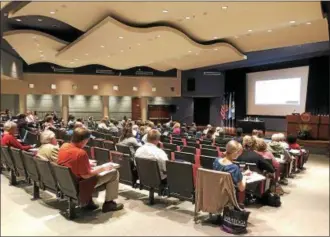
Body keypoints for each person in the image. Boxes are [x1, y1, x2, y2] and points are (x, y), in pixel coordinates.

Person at [57, 127, 123, 212]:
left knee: (96, 170)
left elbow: (71, 162)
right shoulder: (81, 153)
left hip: (66, 183)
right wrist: (102, 168)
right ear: (84, 141)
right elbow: (86, 175)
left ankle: (89, 202)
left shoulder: (64, 146)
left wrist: (87, 164)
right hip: (80, 185)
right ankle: (109, 204)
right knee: (114, 173)